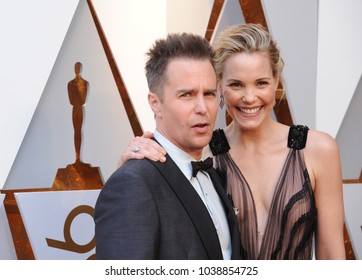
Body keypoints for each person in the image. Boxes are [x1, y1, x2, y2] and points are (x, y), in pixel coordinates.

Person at [118, 23, 346, 260]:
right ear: (219, 87)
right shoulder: (203, 155)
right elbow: (151, 206)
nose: (249, 98)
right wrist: (127, 163)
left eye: (261, 83)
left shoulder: (317, 150)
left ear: (276, 81)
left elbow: (332, 256)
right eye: (236, 84)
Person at [94, 33, 241, 260]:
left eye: (209, 94)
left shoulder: (212, 172)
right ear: (156, 103)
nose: (203, 107)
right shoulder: (132, 184)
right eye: (187, 95)